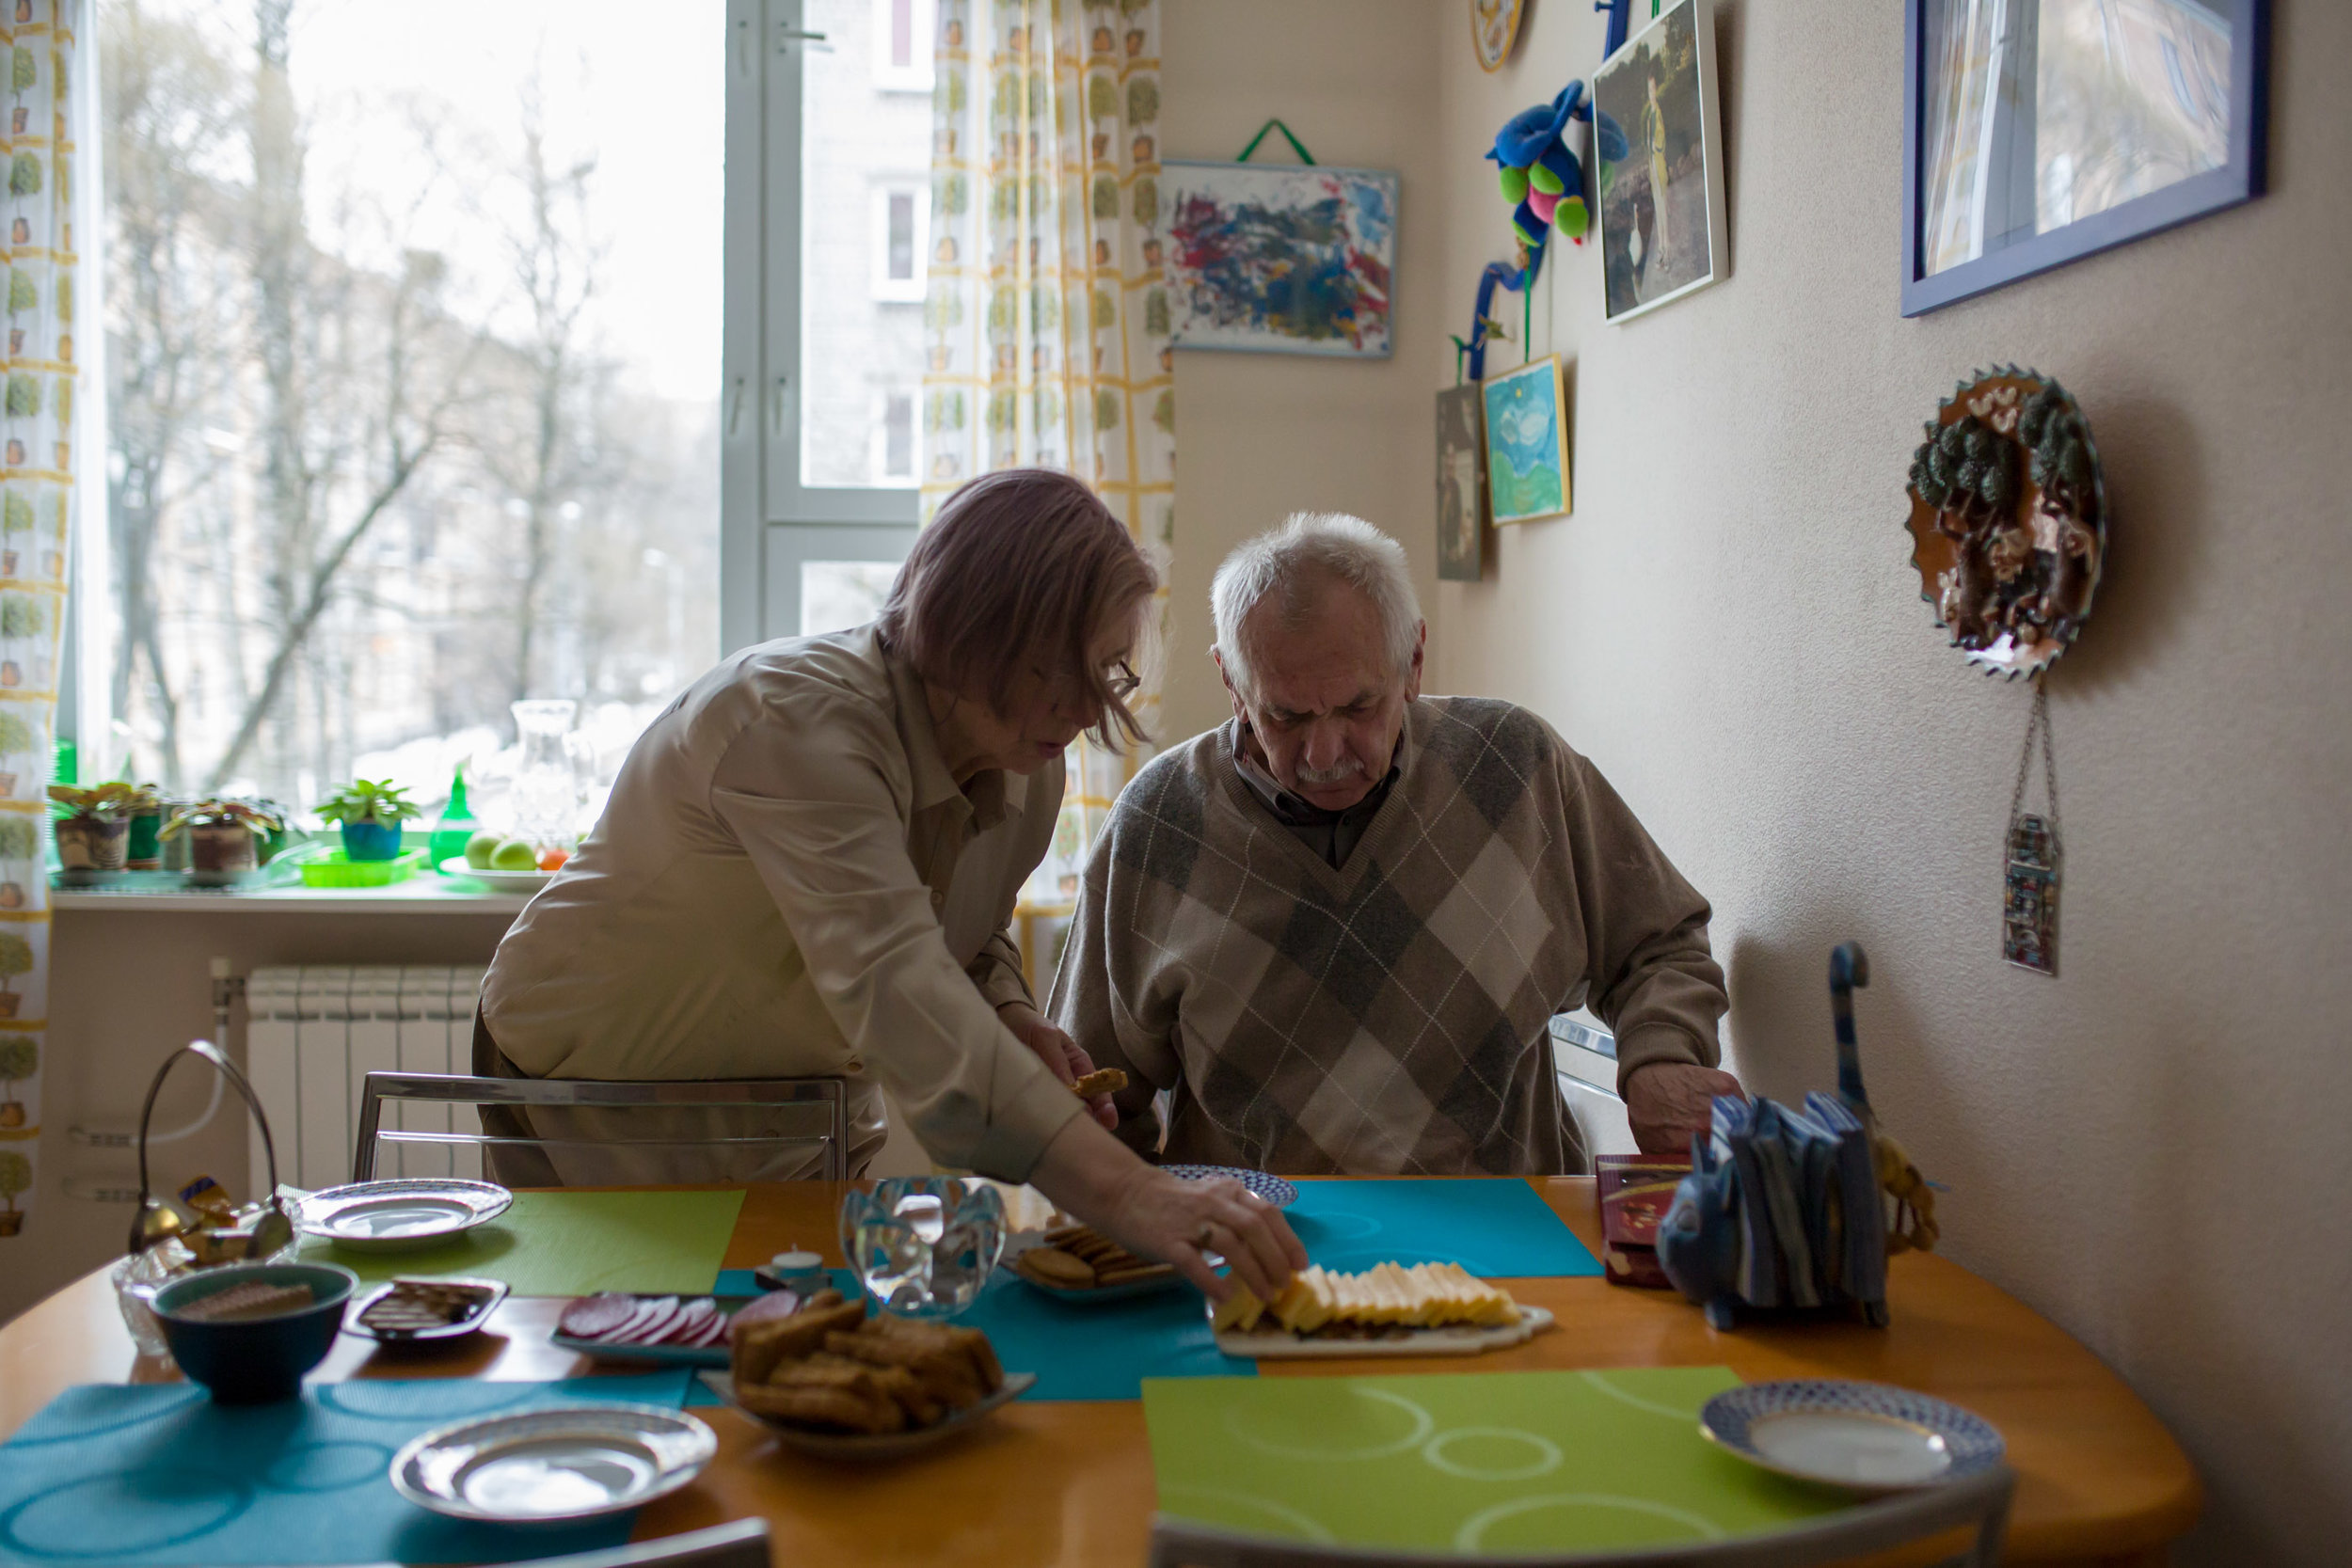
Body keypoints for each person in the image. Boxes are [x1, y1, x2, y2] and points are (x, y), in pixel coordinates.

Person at [475, 469, 1304, 1301]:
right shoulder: (791, 721)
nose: (1092, 714)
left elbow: (968, 929)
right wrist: (1131, 1190)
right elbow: (898, 983)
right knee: (629, 1342)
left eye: (1111, 675)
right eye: (1071, 672)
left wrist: (1012, 1015)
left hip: (793, 1105)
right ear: (978, 631)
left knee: (793, 1343)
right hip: (595, 1093)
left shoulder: (1028, 761)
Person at [1052, 512, 1740, 1174]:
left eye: (1357, 707)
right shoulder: (1158, 825)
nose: (1324, 752)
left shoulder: (1515, 769)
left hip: (1512, 1243)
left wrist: (1661, 1059)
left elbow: (1660, 938)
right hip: (1263, 1252)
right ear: (1233, 684)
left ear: (1413, 660)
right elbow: (1087, 1096)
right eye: (1285, 716)